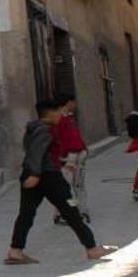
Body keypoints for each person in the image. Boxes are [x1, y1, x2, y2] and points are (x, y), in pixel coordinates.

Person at [6, 97, 117, 265]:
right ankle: (92, 248)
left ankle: (16, 250)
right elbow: (36, 153)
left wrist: (33, 173)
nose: (61, 114)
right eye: (59, 111)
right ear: (50, 113)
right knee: (72, 209)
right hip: (49, 177)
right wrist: (36, 174)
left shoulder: (33, 128)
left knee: (26, 214)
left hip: (34, 175)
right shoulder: (45, 130)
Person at [50, 96, 88, 224]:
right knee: (67, 188)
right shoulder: (58, 119)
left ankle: (79, 211)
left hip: (76, 155)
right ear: (69, 102)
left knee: (78, 185)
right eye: (74, 102)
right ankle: (67, 213)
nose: (75, 104)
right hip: (68, 157)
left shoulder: (68, 118)